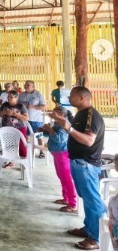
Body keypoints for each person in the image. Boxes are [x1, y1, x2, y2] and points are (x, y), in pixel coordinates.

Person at [54, 87, 106, 251]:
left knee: (93, 200)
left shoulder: (91, 116)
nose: (69, 98)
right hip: (79, 162)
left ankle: (96, 238)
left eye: (72, 95)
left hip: (86, 164)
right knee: (87, 198)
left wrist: (69, 128)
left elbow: (89, 141)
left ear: (82, 98)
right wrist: (65, 124)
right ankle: (89, 228)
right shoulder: (81, 114)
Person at [41, 106, 77, 214]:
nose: (52, 114)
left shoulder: (64, 124)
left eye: (54, 113)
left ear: (61, 115)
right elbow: (50, 135)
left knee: (66, 178)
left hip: (62, 154)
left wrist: (49, 129)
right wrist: (45, 130)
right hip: (57, 153)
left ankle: (73, 203)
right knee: (61, 176)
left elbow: (59, 139)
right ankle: (66, 198)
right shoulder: (57, 123)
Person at [0, 90, 29, 168]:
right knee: (8, 145)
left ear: (16, 98)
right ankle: (10, 162)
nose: (9, 98)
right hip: (7, 128)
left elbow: (26, 118)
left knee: (22, 145)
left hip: (19, 128)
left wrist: (16, 114)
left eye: (11, 97)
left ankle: (24, 163)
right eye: (8, 96)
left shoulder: (21, 106)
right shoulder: (4, 105)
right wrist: (4, 112)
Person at [19, 80, 47, 158]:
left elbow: (44, 106)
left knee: (39, 136)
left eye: (28, 85)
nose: (26, 86)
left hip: (36, 119)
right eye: (25, 85)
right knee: (26, 135)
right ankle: (27, 151)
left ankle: (42, 152)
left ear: (33, 87)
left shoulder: (38, 95)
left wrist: (33, 107)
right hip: (25, 119)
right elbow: (18, 104)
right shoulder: (21, 95)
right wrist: (22, 104)